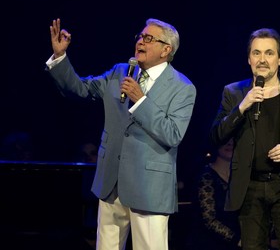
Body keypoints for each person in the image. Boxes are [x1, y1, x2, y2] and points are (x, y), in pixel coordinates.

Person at [45, 18, 196, 250]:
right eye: (140, 36)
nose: (140, 42)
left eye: (149, 38)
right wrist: (60, 58)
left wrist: (140, 100)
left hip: (149, 188)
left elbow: (173, 134)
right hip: (111, 182)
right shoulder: (121, 71)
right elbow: (81, 90)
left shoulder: (182, 87)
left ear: (166, 49)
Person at [209, 28, 280, 250]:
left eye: (269, 53)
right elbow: (216, 135)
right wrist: (242, 106)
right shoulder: (234, 92)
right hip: (249, 186)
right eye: (256, 53)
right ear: (249, 59)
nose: (262, 59)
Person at [185, 138, 241, 250]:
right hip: (209, 243)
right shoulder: (206, 176)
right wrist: (238, 240)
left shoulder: (241, 176)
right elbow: (209, 220)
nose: (230, 143)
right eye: (225, 139)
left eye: (233, 139)